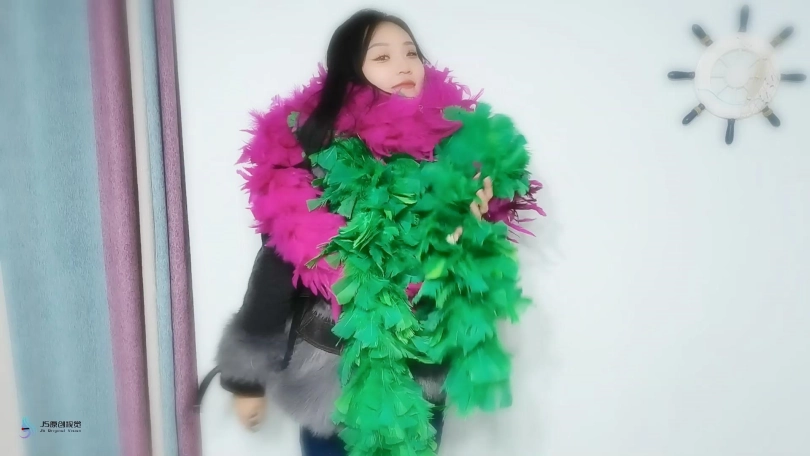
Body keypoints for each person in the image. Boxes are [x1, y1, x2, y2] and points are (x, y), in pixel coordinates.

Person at [200, 8, 543, 456]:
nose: (403, 65)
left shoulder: (455, 161)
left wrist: (469, 229)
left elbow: (456, 281)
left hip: (420, 377)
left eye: (411, 53)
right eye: (381, 57)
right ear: (350, 73)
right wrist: (246, 378)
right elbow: (276, 267)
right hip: (336, 384)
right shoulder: (319, 157)